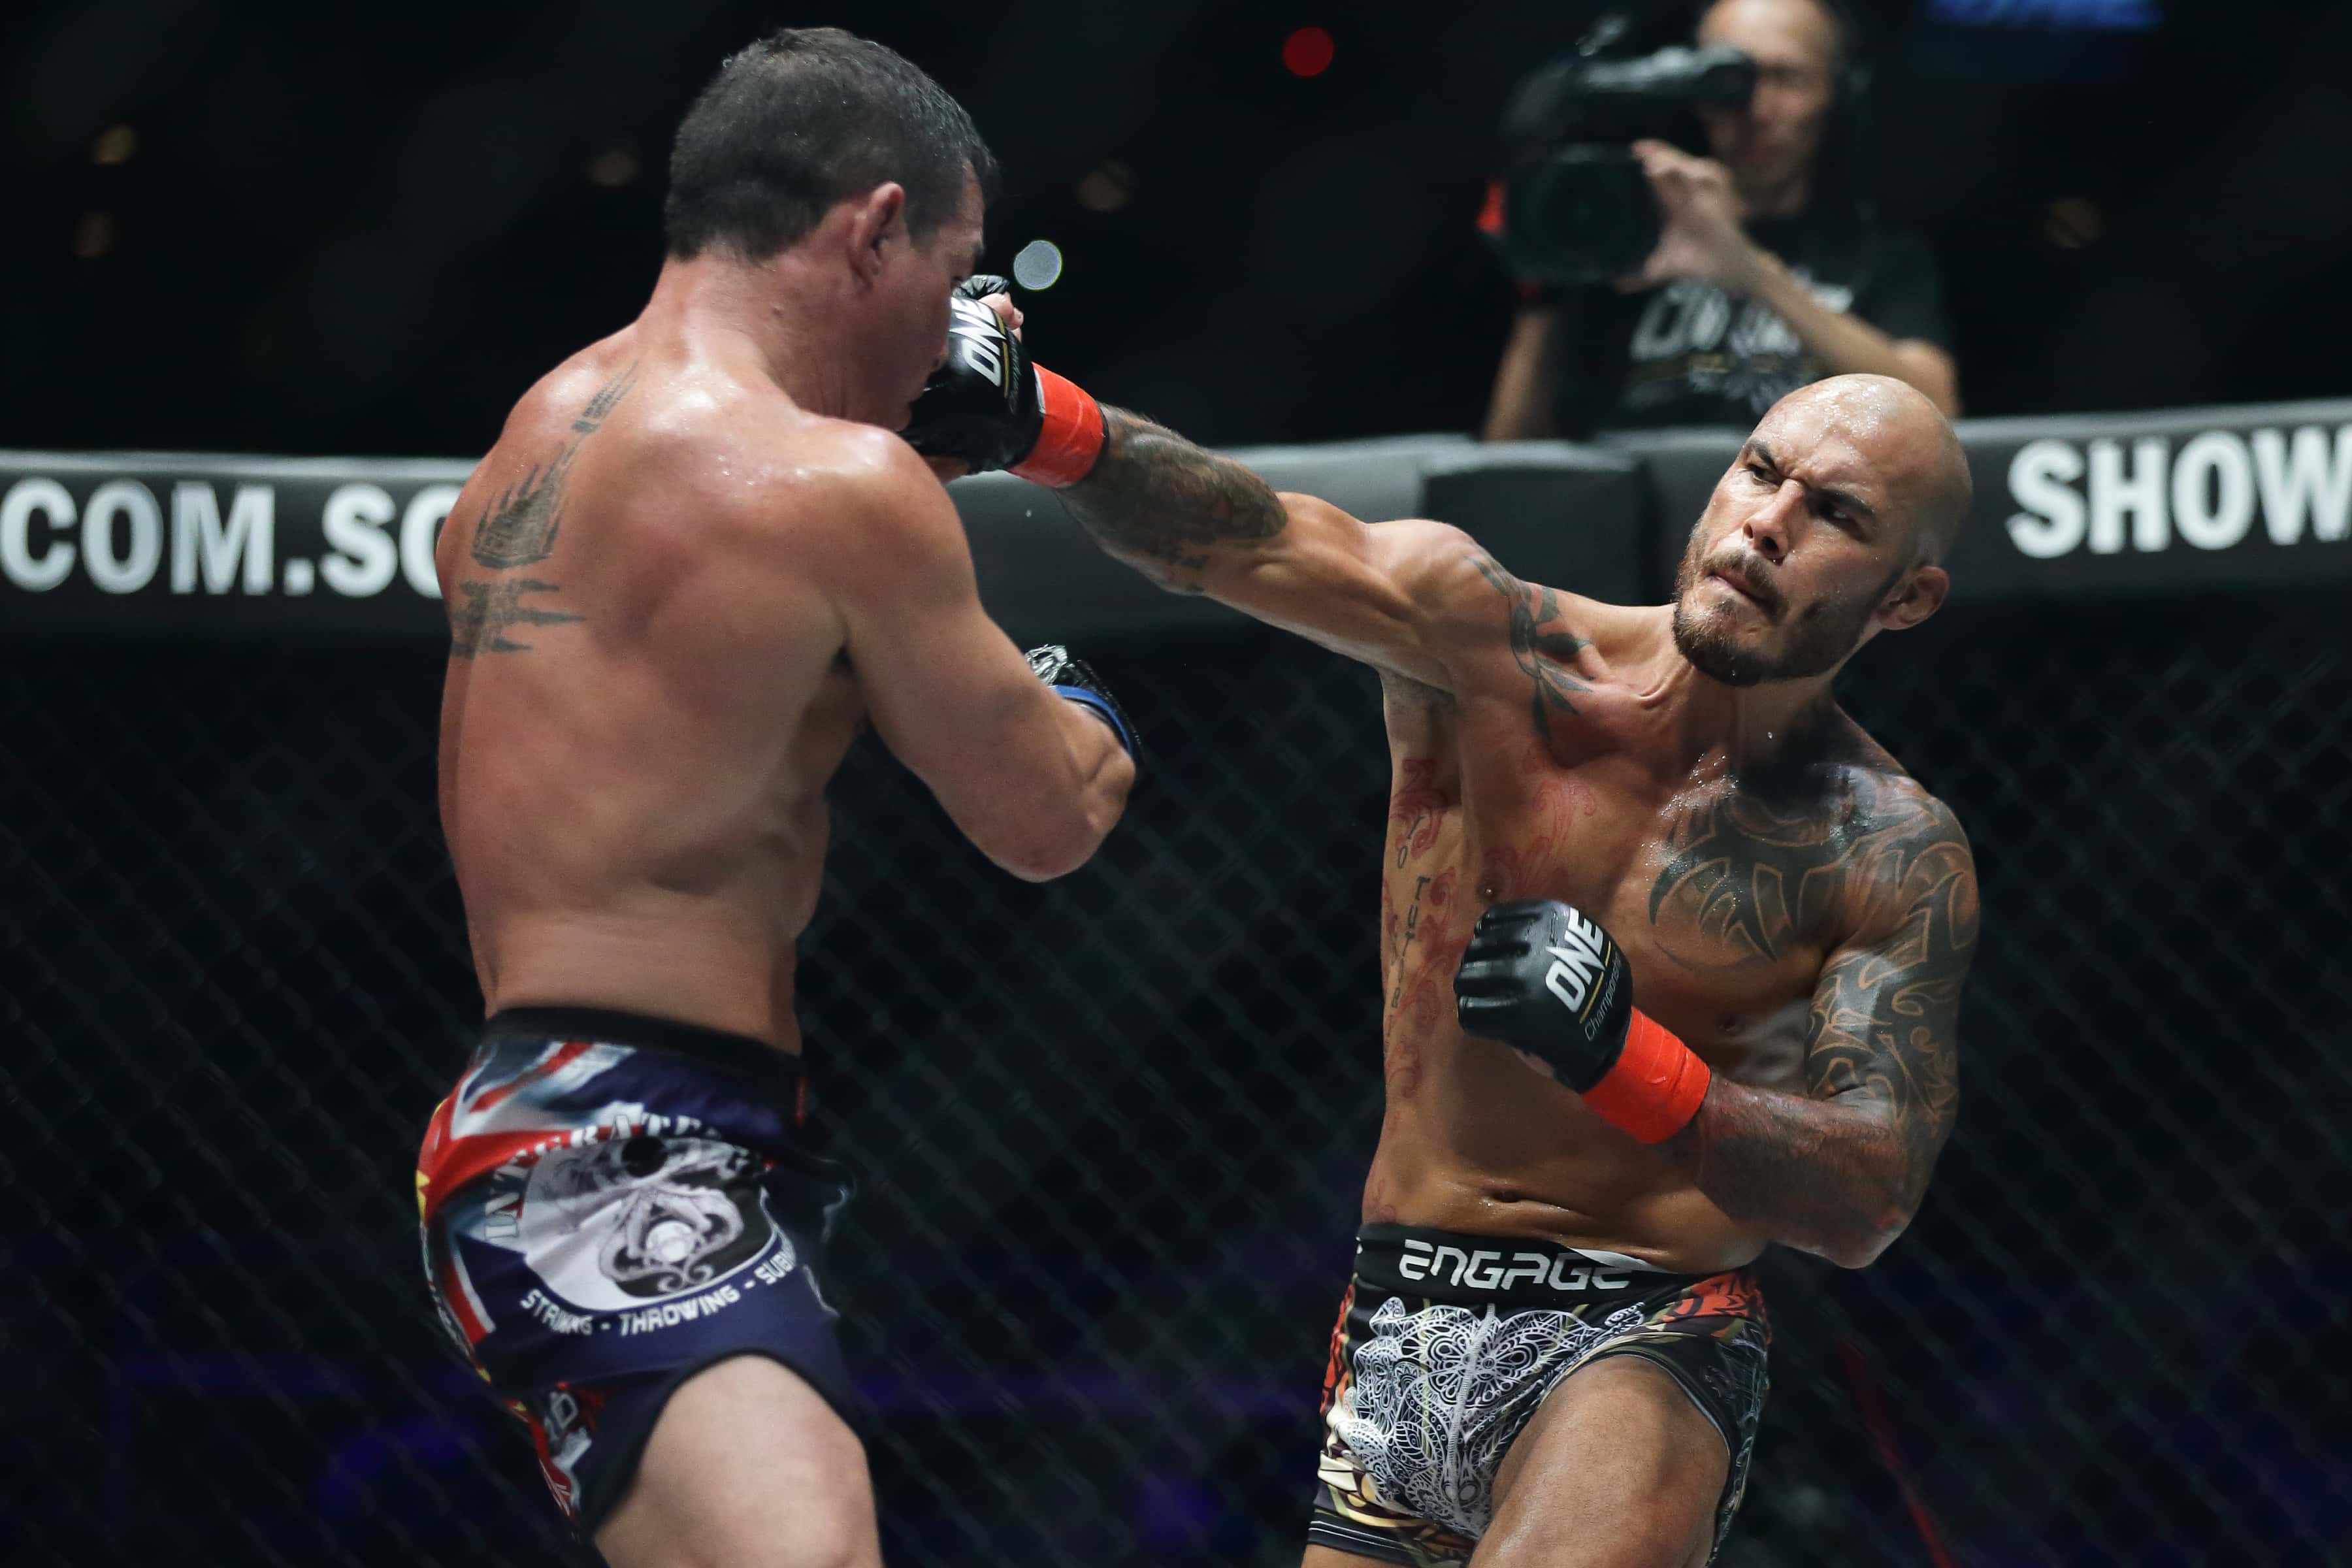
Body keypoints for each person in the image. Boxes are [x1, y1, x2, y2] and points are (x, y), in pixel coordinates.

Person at [909, 307, 1976, 1566]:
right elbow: (1248, 538)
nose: (1769, 524)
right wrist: (1042, 419)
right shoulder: (1493, 646)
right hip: (1397, 1316)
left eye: (1835, 514)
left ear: (1910, 597)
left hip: (1641, 1331)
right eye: (1761, 471)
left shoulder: (1884, 844)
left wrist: (1624, 1059)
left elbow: (1867, 1194)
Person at [411, 29, 1137, 1568]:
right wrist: (1080, 693)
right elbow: (1047, 819)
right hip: (624, 1137)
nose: (955, 326)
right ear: (873, 229)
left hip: (542, 1115)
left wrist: (900, 457)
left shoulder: (529, 442)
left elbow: (728, 645)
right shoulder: (835, 491)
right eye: (954, 275)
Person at [1484, 0, 1961, 442]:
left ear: (1836, 94)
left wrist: (1748, 269)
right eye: (1728, 80)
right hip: (1636, 495)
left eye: (1787, 78)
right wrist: (1539, 284)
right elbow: (1513, 455)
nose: (1757, 109)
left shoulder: (1880, 257)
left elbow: (1936, 413)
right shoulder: (1626, 235)